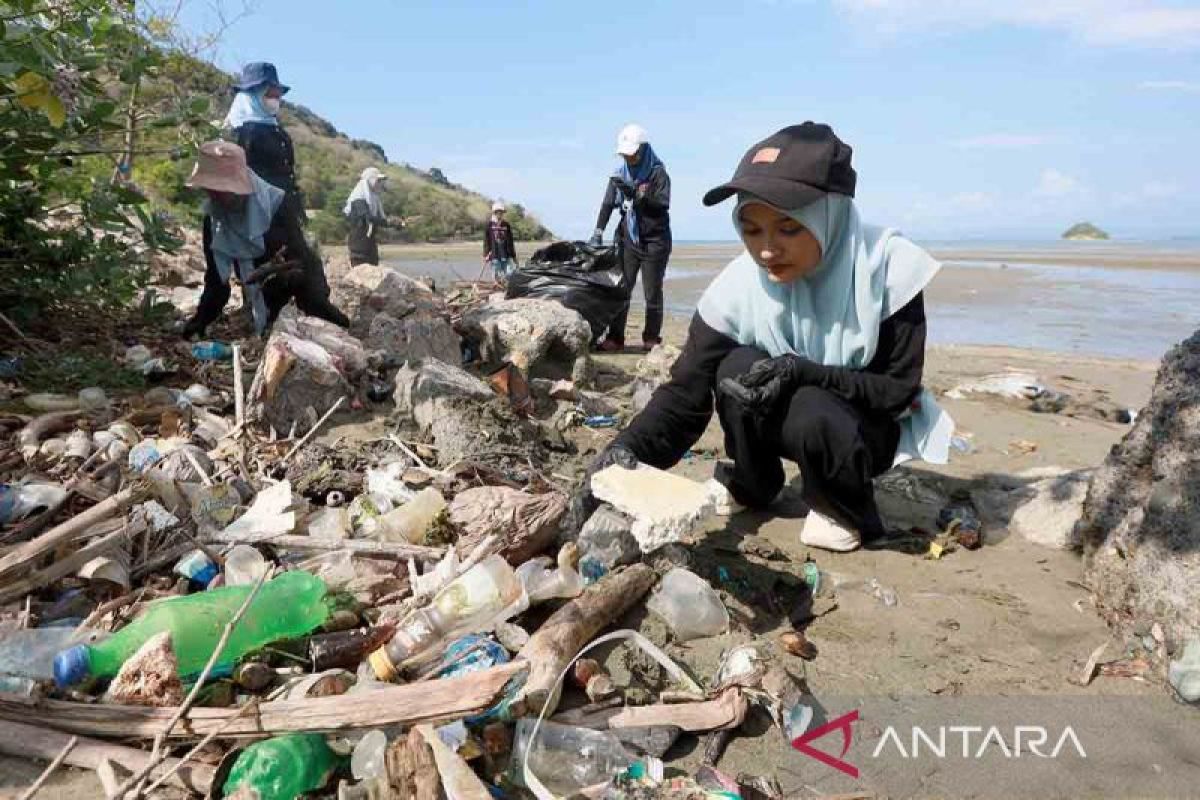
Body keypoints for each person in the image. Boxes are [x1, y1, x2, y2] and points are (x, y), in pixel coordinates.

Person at [574, 123, 953, 552]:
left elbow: (896, 393)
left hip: (862, 428)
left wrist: (805, 371)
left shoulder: (888, 270)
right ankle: (756, 482)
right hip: (794, 417)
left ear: (831, 215)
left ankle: (839, 505)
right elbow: (685, 393)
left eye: (789, 228)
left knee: (812, 406)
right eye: (752, 230)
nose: (767, 250)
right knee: (737, 368)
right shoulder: (739, 286)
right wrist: (625, 453)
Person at [180, 141, 349, 339]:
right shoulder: (214, 220)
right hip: (259, 291)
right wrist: (200, 321)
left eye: (220, 189)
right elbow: (217, 282)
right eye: (210, 189)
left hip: (296, 279)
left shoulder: (275, 205)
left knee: (324, 320)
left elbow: (301, 260)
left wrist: (275, 275)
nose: (214, 195)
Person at [588, 123, 672, 353]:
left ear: (643, 149)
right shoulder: (619, 175)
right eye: (625, 154)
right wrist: (598, 232)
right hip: (629, 240)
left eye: (633, 154)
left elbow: (662, 205)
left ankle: (651, 338)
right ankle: (615, 338)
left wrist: (637, 195)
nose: (629, 158)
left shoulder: (658, 172)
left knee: (652, 292)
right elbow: (607, 204)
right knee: (622, 288)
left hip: (655, 241)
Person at [224, 62, 305, 226]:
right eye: (270, 94)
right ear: (253, 94)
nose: (276, 99)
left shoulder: (277, 131)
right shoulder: (235, 132)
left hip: (282, 211)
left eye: (277, 95)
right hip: (252, 216)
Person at [345, 167, 389, 266]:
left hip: (370, 244)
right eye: (378, 180)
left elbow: (380, 219)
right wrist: (389, 222)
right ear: (370, 180)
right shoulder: (358, 198)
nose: (380, 183)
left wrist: (396, 223)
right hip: (359, 246)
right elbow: (369, 218)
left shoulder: (373, 198)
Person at [483, 201, 517, 283]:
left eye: (501, 212)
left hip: (506, 254)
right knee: (496, 275)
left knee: (509, 273)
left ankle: (507, 288)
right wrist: (486, 254)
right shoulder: (489, 225)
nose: (500, 214)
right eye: (498, 212)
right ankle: (497, 288)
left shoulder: (506, 225)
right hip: (494, 254)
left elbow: (510, 241)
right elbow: (486, 241)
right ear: (494, 212)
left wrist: (513, 255)